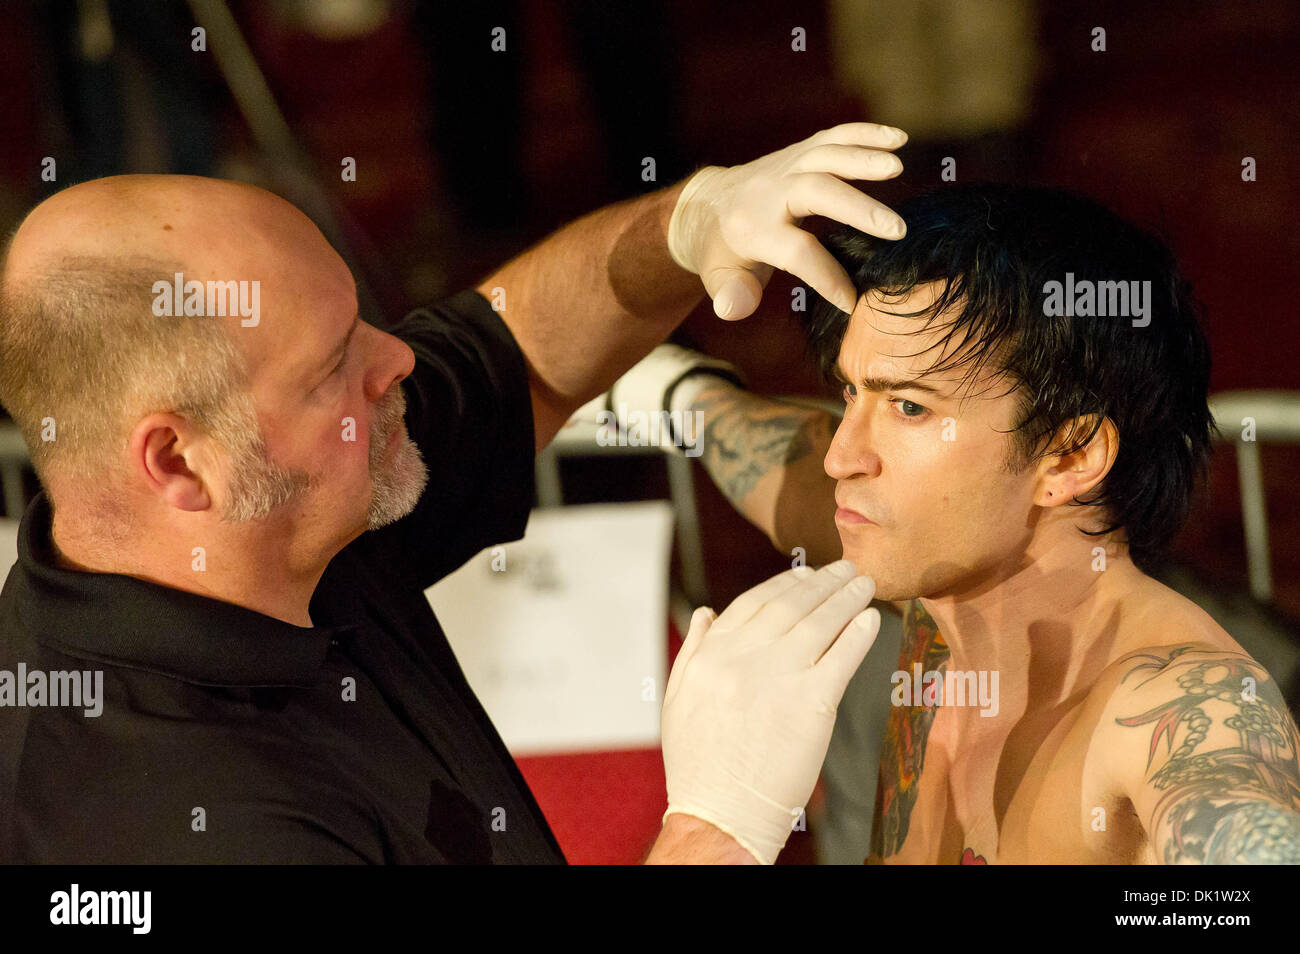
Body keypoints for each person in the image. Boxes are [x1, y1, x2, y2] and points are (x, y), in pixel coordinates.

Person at [0, 123, 910, 864]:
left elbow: (522, 356)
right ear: (177, 463)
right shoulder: (157, 826)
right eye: (330, 368)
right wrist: (717, 827)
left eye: (360, 321)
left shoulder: (286, 494)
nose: (393, 359)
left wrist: (689, 225)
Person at [610, 183, 1300, 863]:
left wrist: (711, 833)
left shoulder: (1179, 713)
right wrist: (662, 386)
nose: (844, 457)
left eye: (910, 409)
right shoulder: (929, 557)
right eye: (851, 392)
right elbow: (775, 457)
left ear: (1070, 453)